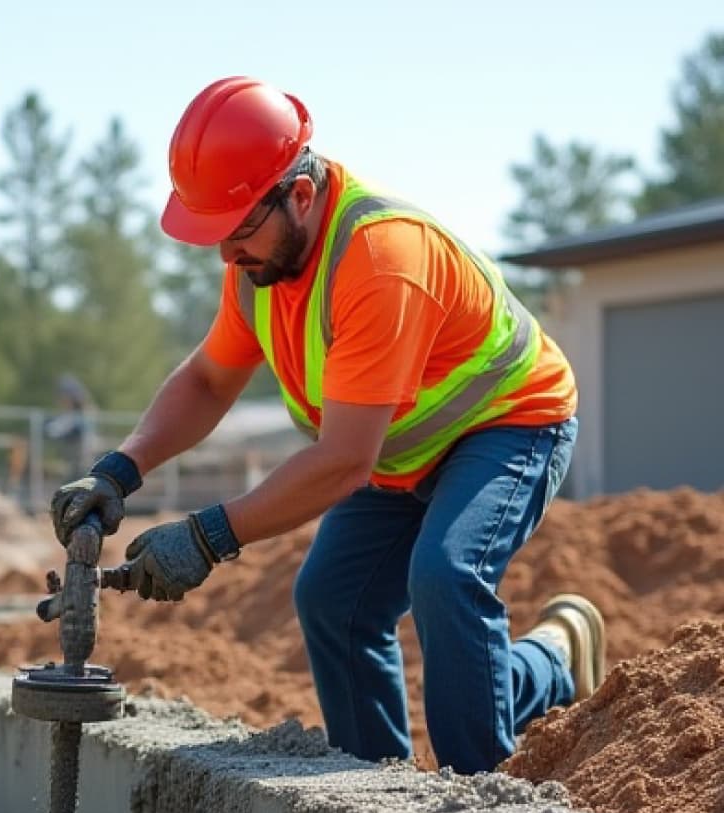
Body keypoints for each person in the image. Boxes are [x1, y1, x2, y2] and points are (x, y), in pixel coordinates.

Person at [52, 76, 606, 774]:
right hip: (399, 447)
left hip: (509, 423)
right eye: (216, 236)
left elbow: (345, 460)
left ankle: (484, 793)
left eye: (238, 232)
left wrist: (208, 535)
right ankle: (373, 791)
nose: (227, 257)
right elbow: (207, 379)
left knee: (445, 574)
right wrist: (119, 469)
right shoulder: (259, 263)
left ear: (302, 196)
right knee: (332, 600)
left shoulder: (380, 261)